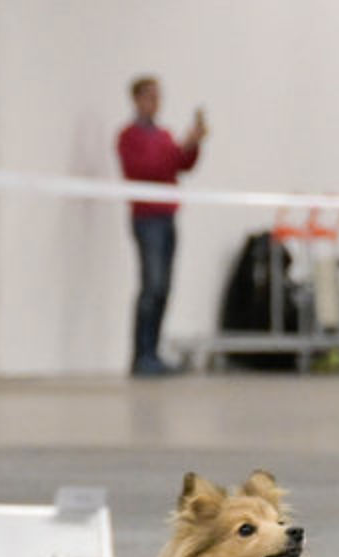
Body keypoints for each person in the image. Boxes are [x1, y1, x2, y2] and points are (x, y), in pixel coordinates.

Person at [116, 75, 204, 377]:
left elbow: (181, 164)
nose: (156, 102)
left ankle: (153, 352)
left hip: (168, 217)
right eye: (150, 96)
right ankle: (141, 355)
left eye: (159, 96)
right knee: (151, 286)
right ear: (137, 99)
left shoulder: (164, 135)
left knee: (164, 287)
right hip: (146, 219)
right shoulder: (129, 136)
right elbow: (147, 169)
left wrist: (192, 144)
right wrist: (175, 152)